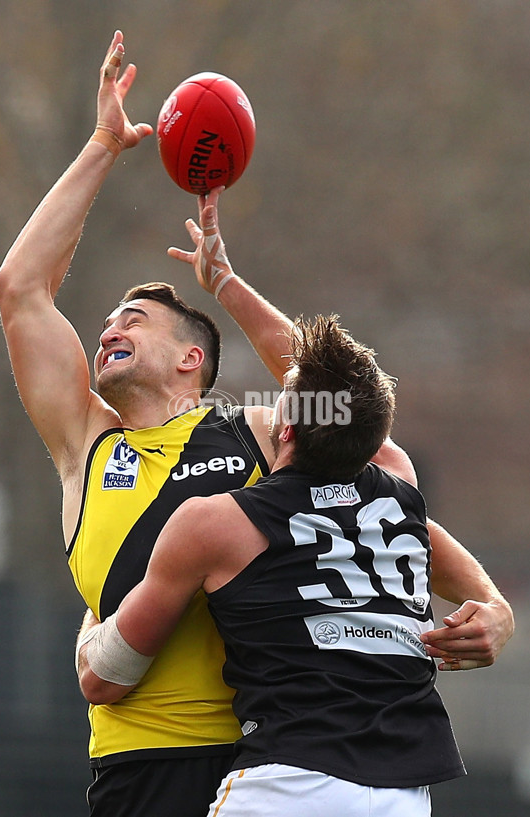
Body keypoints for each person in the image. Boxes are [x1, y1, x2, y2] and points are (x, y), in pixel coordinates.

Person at [0, 29, 513, 817]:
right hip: (140, 767)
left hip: (265, 756)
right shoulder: (86, 444)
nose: (108, 325)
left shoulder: (257, 432)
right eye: (105, 318)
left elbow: (367, 437)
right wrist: (103, 143)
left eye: (133, 315)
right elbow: (20, 287)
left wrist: (490, 599)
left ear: (191, 361)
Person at [78, 315, 475, 817]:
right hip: (407, 791)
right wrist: (227, 284)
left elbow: (104, 679)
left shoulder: (217, 522)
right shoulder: (399, 493)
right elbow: (348, 406)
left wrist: (94, 618)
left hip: (289, 781)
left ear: (283, 427)